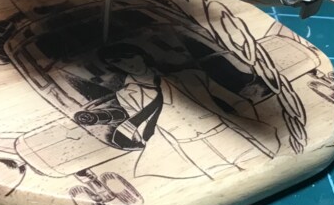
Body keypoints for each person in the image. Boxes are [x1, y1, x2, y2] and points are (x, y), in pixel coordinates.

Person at [97, 43, 282, 180]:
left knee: (269, 169)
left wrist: (252, 122)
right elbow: (144, 127)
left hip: (227, 133)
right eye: (117, 62)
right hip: (187, 147)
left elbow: (238, 102)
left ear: (141, 55)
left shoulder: (191, 75)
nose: (127, 64)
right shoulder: (127, 94)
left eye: (129, 56)